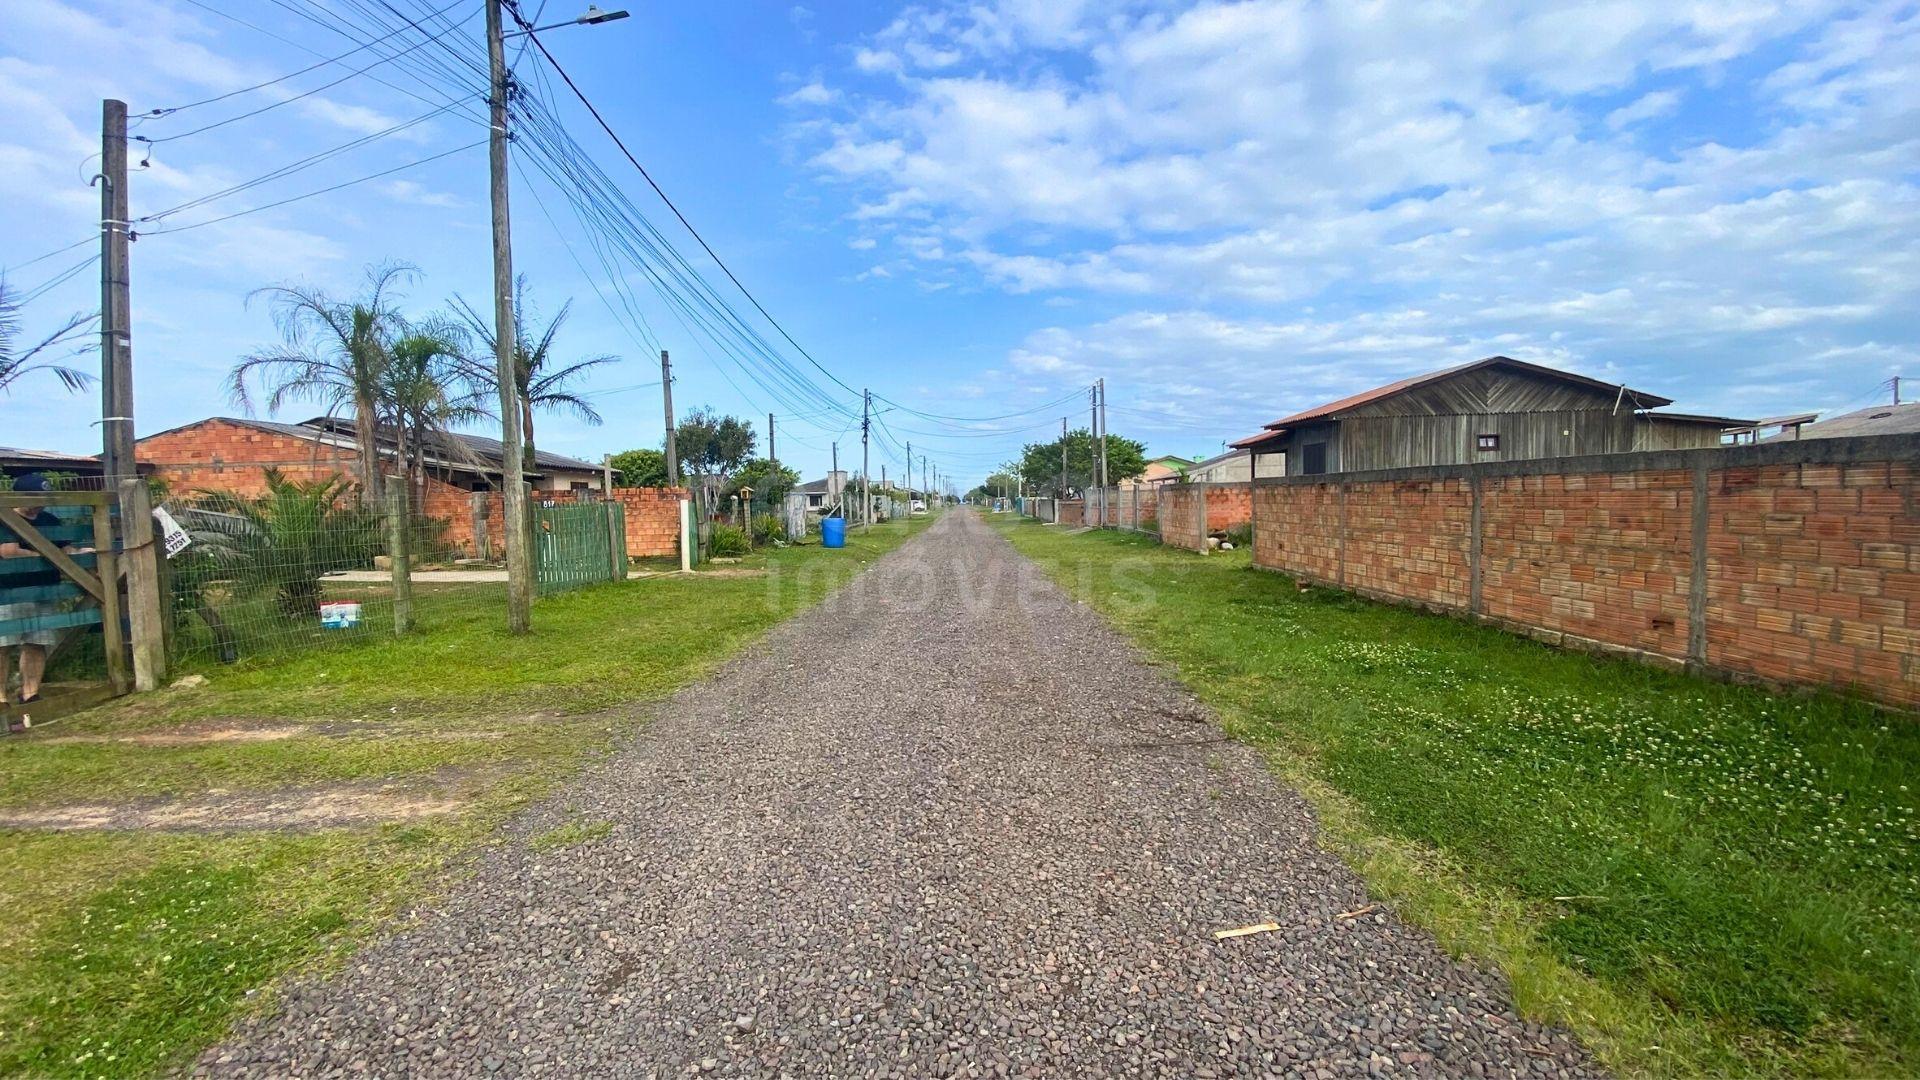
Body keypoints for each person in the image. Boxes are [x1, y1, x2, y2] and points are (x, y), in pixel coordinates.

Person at [1, 474, 76, 714]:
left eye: (44, 496)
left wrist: (85, 554)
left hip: (45, 590)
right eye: (36, 496)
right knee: (4, 645)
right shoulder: (5, 519)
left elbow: (67, 549)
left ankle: (30, 694)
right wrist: (49, 557)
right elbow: (8, 552)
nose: (41, 502)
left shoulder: (50, 520)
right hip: (9, 592)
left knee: (37, 643)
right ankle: (1, 699)